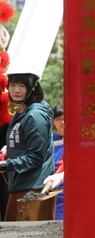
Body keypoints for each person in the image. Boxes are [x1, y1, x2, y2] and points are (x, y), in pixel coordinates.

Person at [0, 62, 55, 221]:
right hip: (20, 186)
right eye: (13, 85)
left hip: (34, 189)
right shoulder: (21, 111)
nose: (16, 90)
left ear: (33, 87)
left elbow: (35, 157)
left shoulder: (34, 115)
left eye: (22, 86)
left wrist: (5, 165)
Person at [47, 105, 65, 220]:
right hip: (54, 186)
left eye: (66, 118)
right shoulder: (49, 140)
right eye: (59, 119)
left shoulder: (78, 139)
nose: (63, 122)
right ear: (53, 121)